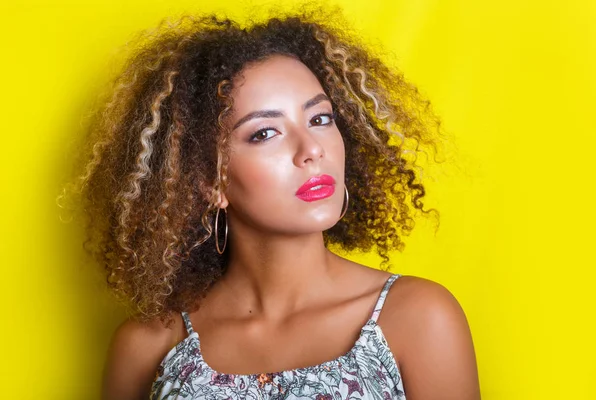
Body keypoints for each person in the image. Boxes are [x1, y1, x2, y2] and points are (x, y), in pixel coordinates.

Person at [67, 10, 479, 400]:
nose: (311, 150)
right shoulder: (149, 347)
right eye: (265, 133)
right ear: (210, 181)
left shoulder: (419, 319)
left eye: (320, 119)